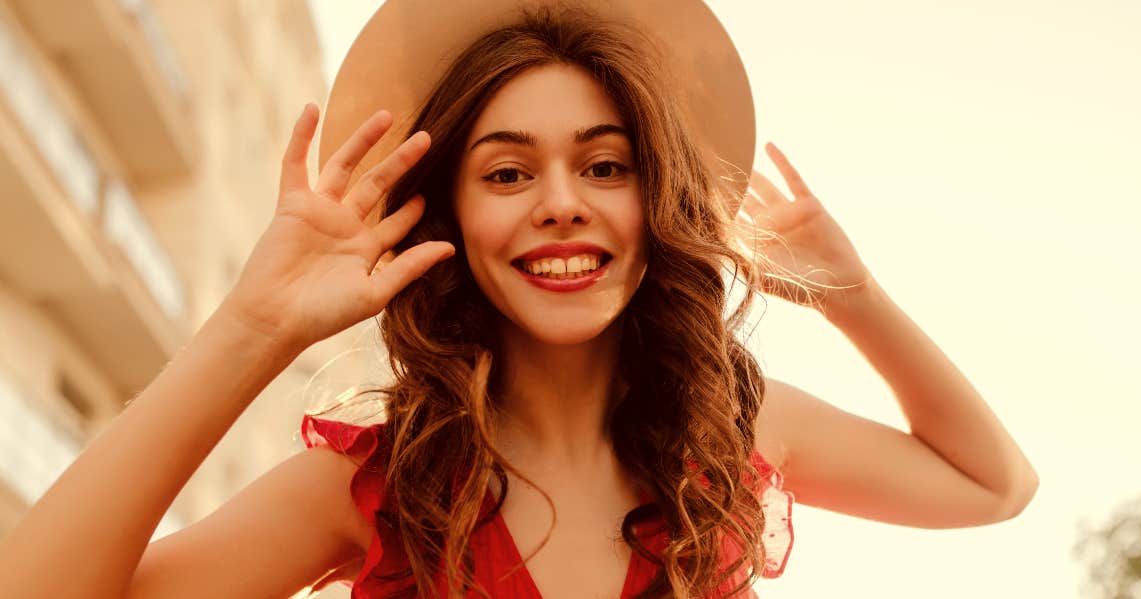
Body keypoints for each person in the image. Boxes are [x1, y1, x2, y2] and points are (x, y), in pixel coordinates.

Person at [0, 2, 1039, 599]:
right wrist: (253, 326)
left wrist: (851, 293)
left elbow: (992, 485)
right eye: (506, 173)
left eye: (605, 165)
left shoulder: (735, 434)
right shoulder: (370, 485)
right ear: (445, 210)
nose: (560, 206)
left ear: (656, 201)